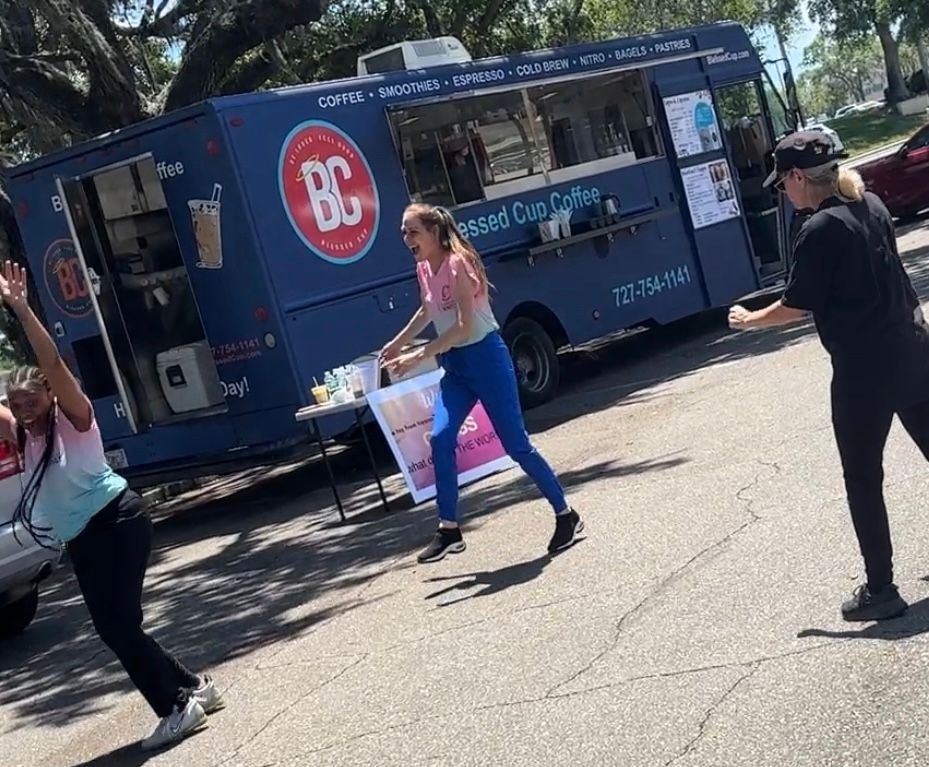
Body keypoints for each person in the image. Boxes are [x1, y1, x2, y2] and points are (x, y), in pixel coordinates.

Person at [0, 261, 223, 749]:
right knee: (119, 626)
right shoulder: (25, 434)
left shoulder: (74, 419)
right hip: (82, 538)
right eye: (15, 405)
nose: (22, 411)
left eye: (30, 401)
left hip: (117, 522)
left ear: (50, 396)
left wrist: (19, 306)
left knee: (117, 627)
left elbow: (53, 364)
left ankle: (175, 709)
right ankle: (191, 688)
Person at [728, 130, 929, 622]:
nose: (783, 192)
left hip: (864, 371)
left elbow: (796, 304)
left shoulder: (818, 229)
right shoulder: (873, 205)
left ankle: (881, 590)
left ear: (799, 177)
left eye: (783, 183)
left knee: (863, 478)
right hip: (914, 347)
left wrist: (749, 319)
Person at [381, 204, 584, 563]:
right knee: (441, 438)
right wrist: (398, 343)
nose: (406, 238)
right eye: (403, 232)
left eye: (412, 231)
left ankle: (565, 513)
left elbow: (461, 325)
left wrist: (417, 356)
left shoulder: (459, 263)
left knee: (516, 445)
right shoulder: (423, 267)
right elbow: (428, 310)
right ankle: (448, 530)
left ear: (433, 233)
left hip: (486, 358)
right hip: (456, 365)